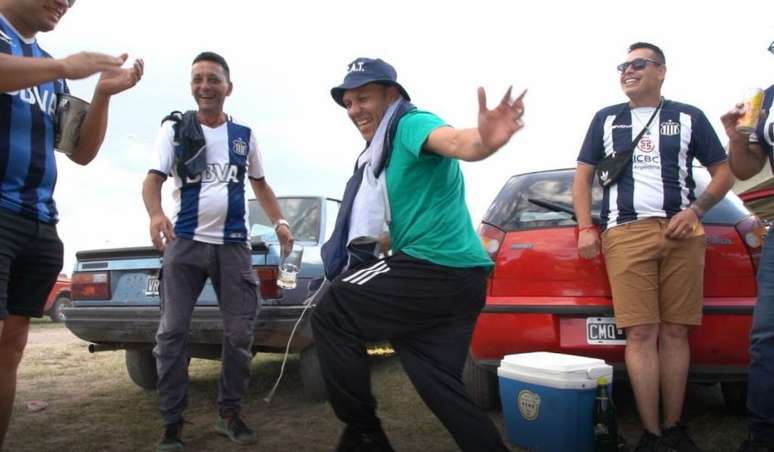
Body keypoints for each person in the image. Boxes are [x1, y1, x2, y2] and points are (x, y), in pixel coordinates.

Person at [311, 57, 525, 452]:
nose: (354, 109)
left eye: (364, 98)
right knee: (441, 389)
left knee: (332, 309)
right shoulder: (383, 155)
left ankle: (364, 434)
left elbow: (458, 142)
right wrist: (370, 243)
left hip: (435, 269)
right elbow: (407, 225)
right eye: (348, 103)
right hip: (459, 279)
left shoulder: (409, 123)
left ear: (391, 96)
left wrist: (485, 140)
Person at [572, 42, 733, 452]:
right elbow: (583, 179)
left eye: (638, 64)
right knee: (642, 333)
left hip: (682, 233)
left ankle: (675, 426)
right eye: (623, 65)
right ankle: (652, 434)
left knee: (677, 331)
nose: (628, 71)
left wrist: (695, 211)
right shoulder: (605, 120)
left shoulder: (689, 117)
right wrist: (586, 227)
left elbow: (723, 173)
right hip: (626, 232)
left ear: (661, 71)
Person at [0, 0, 143, 447]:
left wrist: (102, 94)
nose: (65, 2)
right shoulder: (44, 64)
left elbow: (79, 150)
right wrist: (67, 64)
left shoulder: (48, 68)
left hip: (38, 220)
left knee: (11, 348)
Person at [142, 51, 292, 452]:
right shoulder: (175, 131)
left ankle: (229, 414)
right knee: (172, 333)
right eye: (197, 79)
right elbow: (152, 180)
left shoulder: (244, 135)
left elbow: (260, 184)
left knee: (240, 334)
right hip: (185, 244)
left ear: (228, 87)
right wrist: (156, 214)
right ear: (191, 86)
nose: (204, 86)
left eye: (212, 79)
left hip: (233, 248)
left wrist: (280, 221)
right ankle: (172, 424)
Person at [720, 40, 774, 452]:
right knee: (766, 335)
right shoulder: (768, 100)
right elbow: (747, 168)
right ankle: (762, 435)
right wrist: (735, 138)